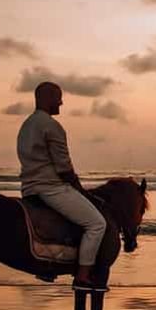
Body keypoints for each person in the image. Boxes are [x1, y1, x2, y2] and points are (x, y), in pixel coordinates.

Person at [17, 81, 106, 289]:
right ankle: (83, 277)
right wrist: (80, 190)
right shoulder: (51, 126)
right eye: (58, 97)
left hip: (29, 189)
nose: (61, 102)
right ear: (47, 99)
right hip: (51, 188)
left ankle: (49, 267)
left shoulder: (26, 126)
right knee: (96, 224)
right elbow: (64, 168)